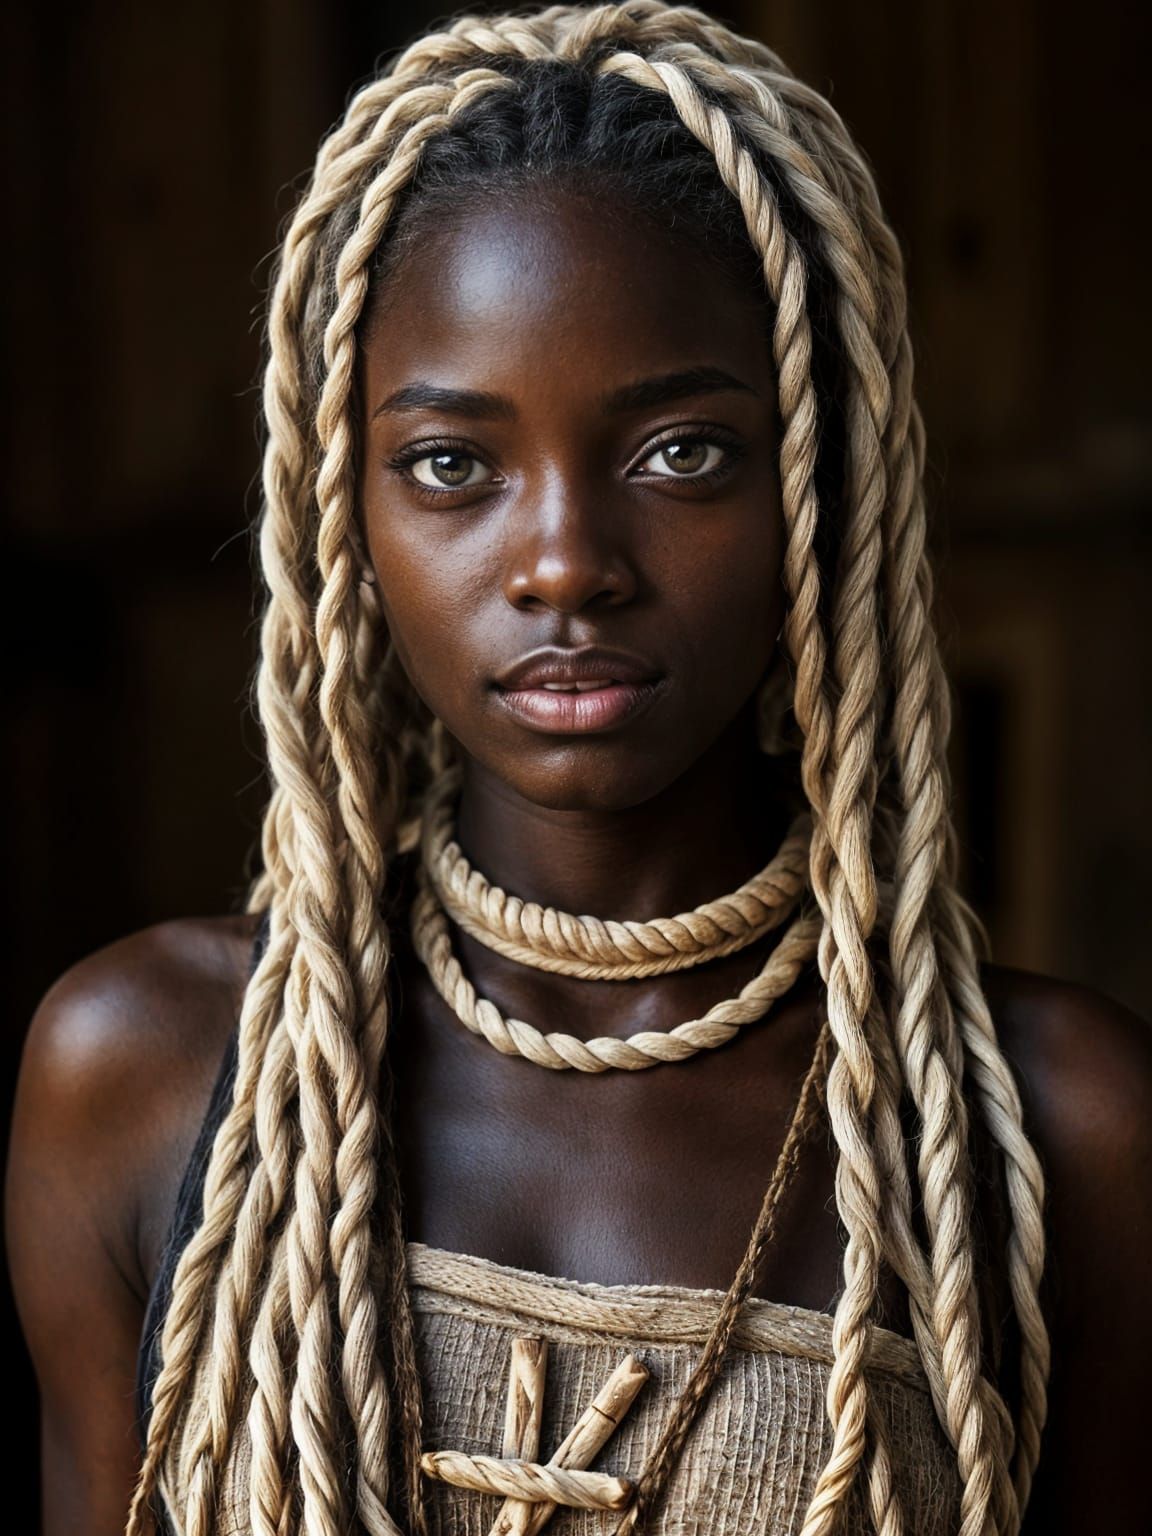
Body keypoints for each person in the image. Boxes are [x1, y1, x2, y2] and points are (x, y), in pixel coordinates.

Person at [6, 3, 1151, 1533]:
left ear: (825, 478)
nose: (564, 563)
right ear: (344, 514)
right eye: (452, 465)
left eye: (680, 451)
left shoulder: (1061, 1129)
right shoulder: (144, 1072)